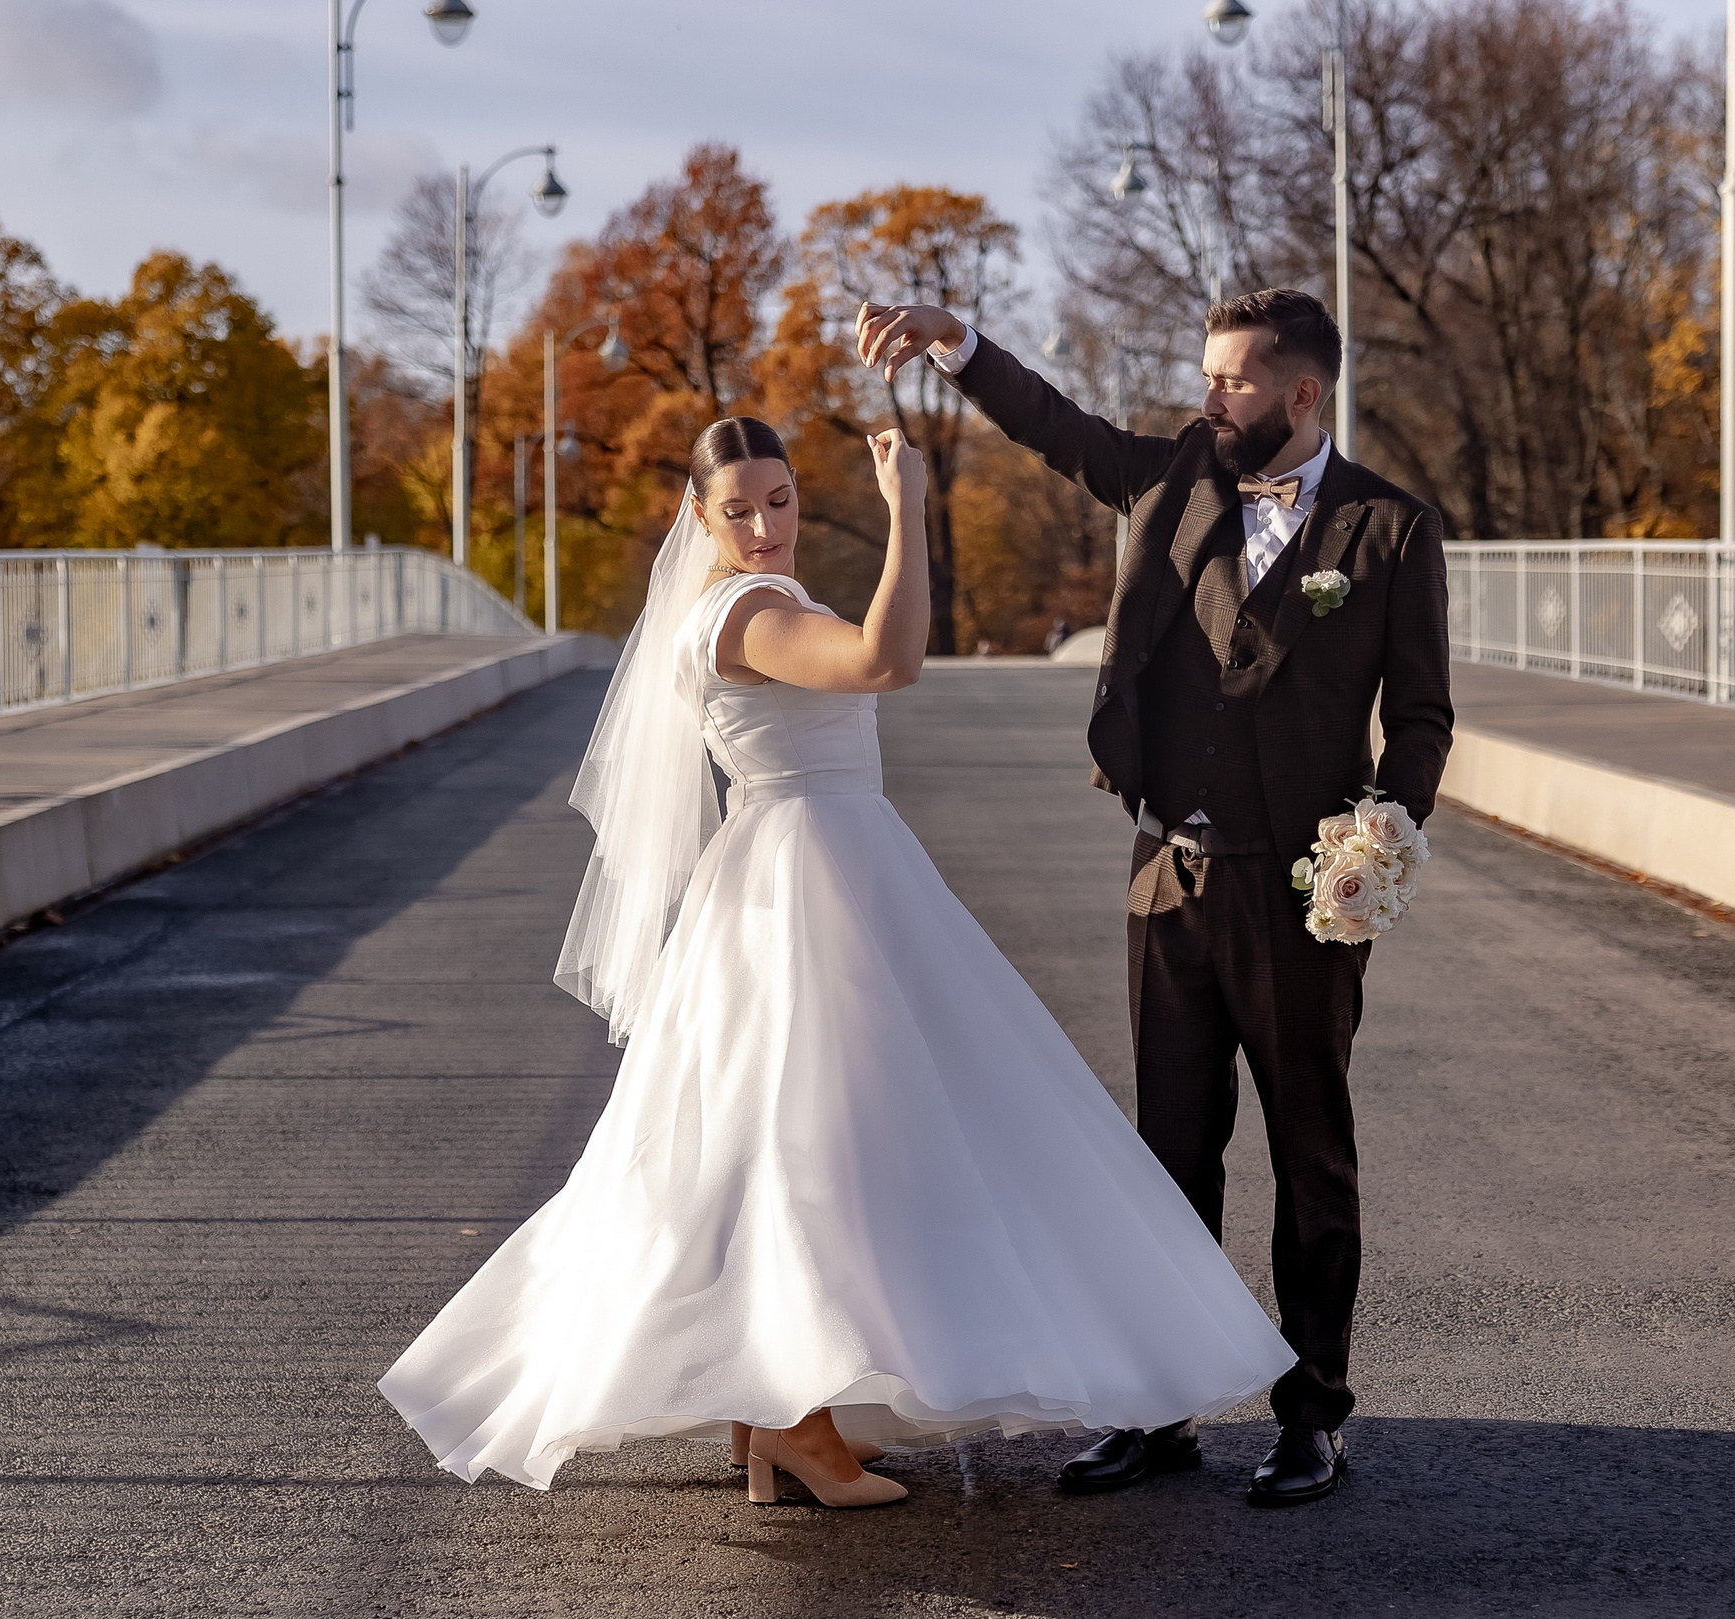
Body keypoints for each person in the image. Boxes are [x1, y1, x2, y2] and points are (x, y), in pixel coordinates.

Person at [376, 417, 1295, 1506]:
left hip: (820, 861)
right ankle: (791, 1418)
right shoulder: (749, 610)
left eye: (781, 497)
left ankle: (770, 1413)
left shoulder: (749, 601)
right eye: (739, 508)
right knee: (806, 1144)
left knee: (806, 1140)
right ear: (700, 518)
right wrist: (907, 505)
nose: (766, 523)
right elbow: (885, 660)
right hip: (804, 875)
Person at [856, 288, 1455, 1506]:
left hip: (1301, 894)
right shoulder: (1177, 474)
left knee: (1309, 1156)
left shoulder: (1392, 530)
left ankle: (1313, 1414)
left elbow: (1425, 714)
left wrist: (1378, 842)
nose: (1210, 396)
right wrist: (954, 341)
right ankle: (1158, 1405)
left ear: (1302, 392)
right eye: (1208, 375)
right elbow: (1053, 424)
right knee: (1167, 1158)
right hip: (1167, 876)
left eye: (1234, 379)